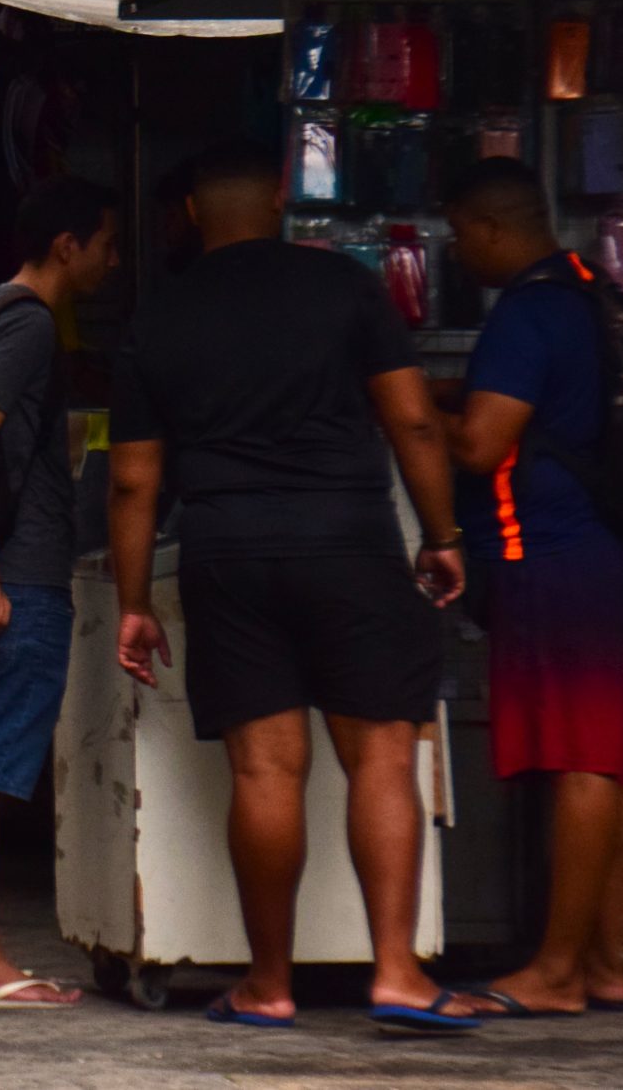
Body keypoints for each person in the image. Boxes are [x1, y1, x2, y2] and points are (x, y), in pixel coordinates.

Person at [108, 142, 474, 1033]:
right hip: (349, 541)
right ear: (280, 197)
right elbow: (414, 420)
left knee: (264, 769)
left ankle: (268, 983)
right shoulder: (347, 289)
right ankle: (396, 973)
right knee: (383, 758)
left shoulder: (156, 317)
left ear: (190, 213)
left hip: (227, 551)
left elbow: (132, 483)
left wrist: (133, 600)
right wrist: (443, 535)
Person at [436, 159, 623, 1018]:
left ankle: (557, 970)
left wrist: (407, 413)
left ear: (489, 228)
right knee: (599, 761)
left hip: (554, 556)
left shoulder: (526, 310)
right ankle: (601, 962)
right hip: (602, 552)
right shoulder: (589, 291)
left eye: (458, 235)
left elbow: (481, 446)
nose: (456, 252)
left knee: (582, 760)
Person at [0, 177, 119, 1009]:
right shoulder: (29, 325)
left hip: (1, 570)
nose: (114, 259)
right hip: (14, 575)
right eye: (106, 243)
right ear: (65, 245)